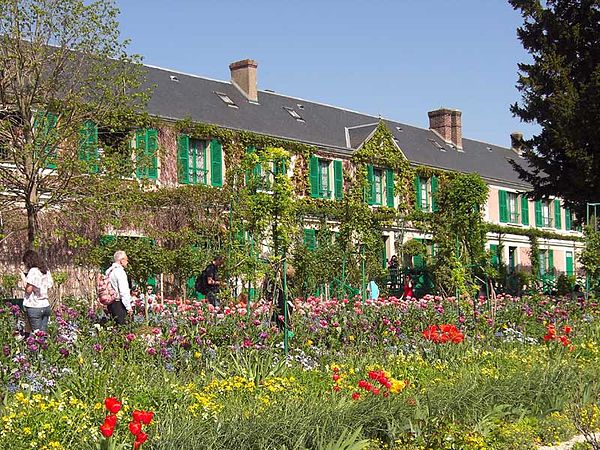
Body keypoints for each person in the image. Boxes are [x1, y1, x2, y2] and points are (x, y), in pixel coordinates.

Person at [20, 249, 54, 333]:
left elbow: (28, 290)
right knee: (43, 335)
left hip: (34, 306)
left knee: (37, 335)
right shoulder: (45, 270)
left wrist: (23, 278)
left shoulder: (33, 271)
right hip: (45, 305)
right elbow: (49, 285)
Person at [106, 250, 133, 324]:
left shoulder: (109, 271)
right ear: (121, 260)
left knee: (114, 327)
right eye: (126, 259)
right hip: (119, 304)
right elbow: (124, 291)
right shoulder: (120, 272)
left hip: (110, 303)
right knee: (123, 329)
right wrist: (128, 307)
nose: (127, 262)